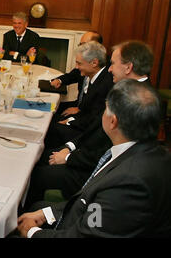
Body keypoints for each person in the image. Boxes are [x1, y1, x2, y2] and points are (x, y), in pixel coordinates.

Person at [16, 79, 171, 238]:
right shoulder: (146, 151)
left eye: (106, 109)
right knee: (36, 207)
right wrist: (46, 213)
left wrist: (32, 232)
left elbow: (88, 232)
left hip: (80, 227)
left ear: (113, 121)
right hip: (83, 214)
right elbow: (90, 203)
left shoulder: (130, 183)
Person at [24, 41, 154, 210]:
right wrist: (70, 148)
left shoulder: (137, 100)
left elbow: (106, 149)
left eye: (113, 63)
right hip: (87, 152)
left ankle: (29, 217)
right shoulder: (128, 89)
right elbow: (96, 128)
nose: (109, 69)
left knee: (36, 173)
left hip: (94, 171)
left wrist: (69, 157)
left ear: (128, 67)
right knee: (39, 155)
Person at [43, 41, 114, 149]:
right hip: (83, 119)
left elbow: (95, 118)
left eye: (79, 64)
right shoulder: (96, 75)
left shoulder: (105, 84)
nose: (76, 67)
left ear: (94, 63)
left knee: (48, 128)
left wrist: (71, 121)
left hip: (87, 133)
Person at [50, 31, 103, 119]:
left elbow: (97, 109)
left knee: (51, 121)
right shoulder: (85, 63)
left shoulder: (102, 73)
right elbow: (73, 75)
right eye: (80, 45)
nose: (81, 48)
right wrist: (59, 80)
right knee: (49, 107)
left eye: (84, 45)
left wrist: (79, 110)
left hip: (85, 114)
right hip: (78, 104)